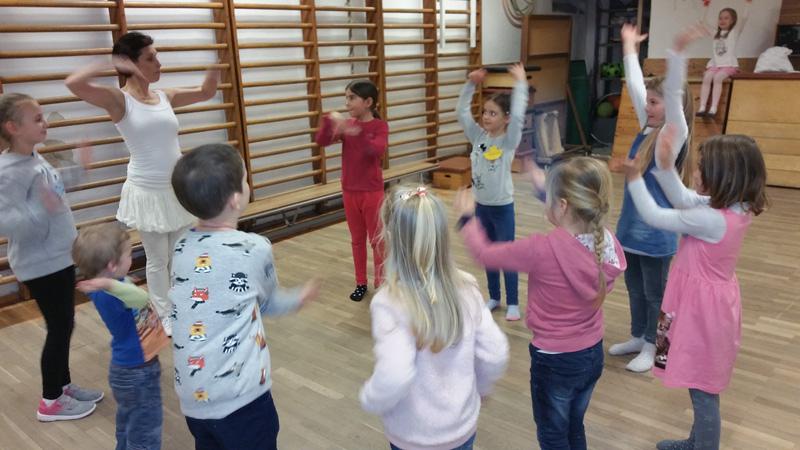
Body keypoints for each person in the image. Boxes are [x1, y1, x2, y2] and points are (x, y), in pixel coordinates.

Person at [456, 156, 626, 450]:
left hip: (554, 360)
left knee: (552, 435)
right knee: (574, 424)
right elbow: (572, 213)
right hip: (591, 354)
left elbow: (484, 254)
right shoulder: (606, 241)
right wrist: (544, 189)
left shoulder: (541, 249)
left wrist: (466, 219)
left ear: (562, 204)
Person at [65, 31, 221, 335]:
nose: (158, 63)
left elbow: (205, 92)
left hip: (177, 188)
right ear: (131, 63)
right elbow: (74, 84)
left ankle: (186, 304)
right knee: (158, 259)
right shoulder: (118, 99)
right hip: (147, 191)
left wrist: (215, 68)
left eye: (156, 56)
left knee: (182, 253)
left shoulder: (165, 96)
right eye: (150, 58)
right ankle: (163, 314)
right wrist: (110, 62)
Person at [624, 126, 767, 450]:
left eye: (702, 167)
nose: (696, 172)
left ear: (723, 176)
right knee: (700, 382)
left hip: (700, 311)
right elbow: (684, 198)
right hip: (703, 304)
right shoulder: (733, 207)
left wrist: (635, 179)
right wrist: (664, 167)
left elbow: (655, 215)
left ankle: (703, 445)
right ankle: (697, 441)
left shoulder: (711, 219)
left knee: (702, 390)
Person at [169, 143, 319, 450]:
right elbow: (269, 303)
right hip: (241, 399)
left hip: (193, 397)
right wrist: (298, 298)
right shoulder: (254, 248)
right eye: (245, 178)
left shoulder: (181, 245)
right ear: (236, 199)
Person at [359, 185, 508, 450]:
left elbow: (394, 374)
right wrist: (482, 388)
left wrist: (370, 398)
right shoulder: (467, 287)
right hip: (462, 429)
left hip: (413, 437)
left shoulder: (389, 302)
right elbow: (495, 351)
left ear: (390, 237)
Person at [0, 92, 103, 421]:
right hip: (40, 265)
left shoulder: (34, 157)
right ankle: (50, 401)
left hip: (58, 257)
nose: (45, 123)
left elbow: (55, 192)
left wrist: (80, 169)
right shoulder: (8, 171)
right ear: (13, 127)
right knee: (59, 327)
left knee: (65, 324)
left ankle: (63, 385)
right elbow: (7, 222)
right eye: (37, 119)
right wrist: (39, 208)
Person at [609, 24, 699, 373]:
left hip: (657, 234)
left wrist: (677, 56)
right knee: (634, 288)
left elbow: (672, 97)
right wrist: (629, 48)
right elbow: (635, 86)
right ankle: (638, 336)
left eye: (655, 102)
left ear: (672, 106)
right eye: (647, 101)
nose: (647, 106)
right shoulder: (646, 127)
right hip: (631, 227)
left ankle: (653, 344)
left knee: (655, 294)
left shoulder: (673, 135)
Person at [73, 223, 169, 449]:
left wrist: (117, 282)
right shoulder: (109, 291)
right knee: (145, 431)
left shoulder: (108, 286)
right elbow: (141, 299)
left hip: (127, 369)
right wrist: (112, 284)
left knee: (129, 422)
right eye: (128, 254)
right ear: (112, 265)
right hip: (138, 370)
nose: (131, 258)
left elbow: (125, 290)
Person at [456, 63, 528, 321]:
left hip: (502, 208)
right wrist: (470, 84)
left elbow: (519, 117)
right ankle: (495, 297)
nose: (486, 117)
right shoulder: (478, 137)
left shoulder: (508, 141)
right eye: (485, 112)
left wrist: (521, 84)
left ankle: (513, 302)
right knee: (487, 254)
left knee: (506, 255)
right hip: (481, 207)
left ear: (505, 118)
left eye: (493, 113)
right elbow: (461, 111)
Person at [315, 80, 389, 302]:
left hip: (372, 192)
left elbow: (374, 150)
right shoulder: (347, 124)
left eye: (351, 98)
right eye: (346, 97)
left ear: (368, 102)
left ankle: (381, 283)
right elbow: (322, 141)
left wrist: (352, 131)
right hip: (349, 192)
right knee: (357, 240)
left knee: (377, 240)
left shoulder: (379, 127)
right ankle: (360, 282)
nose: (347, 102)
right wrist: (329, 121)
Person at [696, 0, 752, 117]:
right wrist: (706, 6)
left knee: (717, 78)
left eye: (726, 18)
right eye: (720, 18)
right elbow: (702, 22)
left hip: (729, 65)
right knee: (707, 77)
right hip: (715, 65)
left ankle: (713, 108)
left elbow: (744, 18)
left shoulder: (734, 33)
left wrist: (747, 3)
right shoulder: (715, 33)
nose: (722, 20)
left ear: (732, 21)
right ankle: (702, 107)